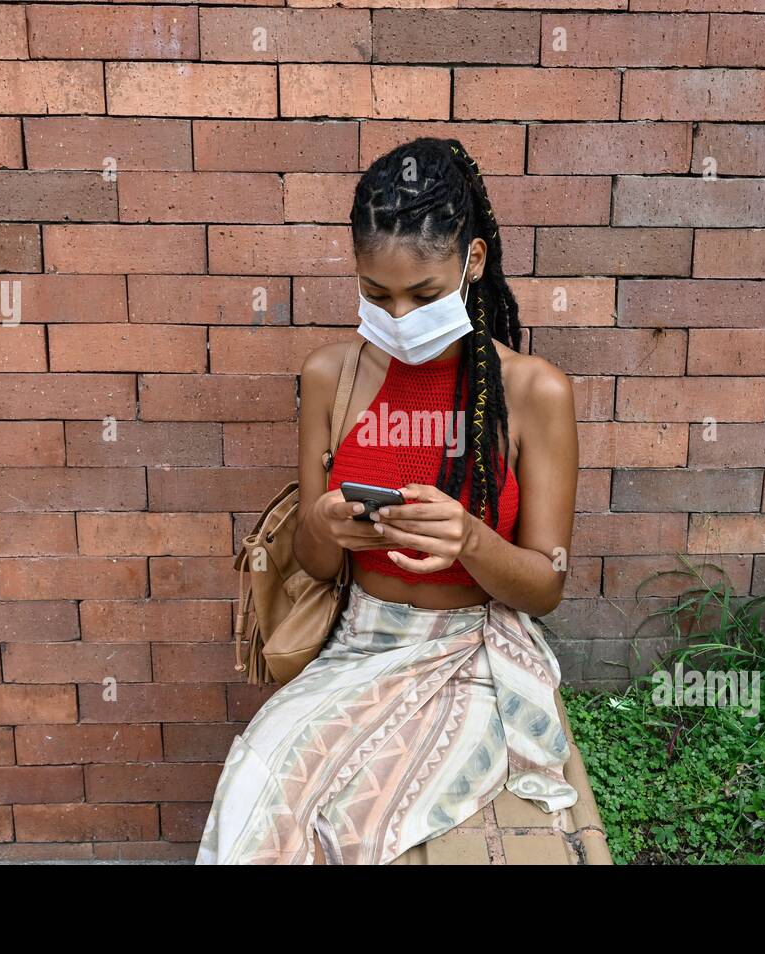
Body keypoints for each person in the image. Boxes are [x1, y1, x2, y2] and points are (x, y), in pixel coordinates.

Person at [194, 137, 580, 865]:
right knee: (254, 798)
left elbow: (547, 584)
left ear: (473, 262)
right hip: (360, 641)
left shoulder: (535, 392)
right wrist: (327, 524)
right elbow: (311, 563)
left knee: (368, 830)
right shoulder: (330, 374)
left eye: (424, 294)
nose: (399, 316)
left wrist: (469, 539)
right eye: (376, 294)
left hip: (471, 652)